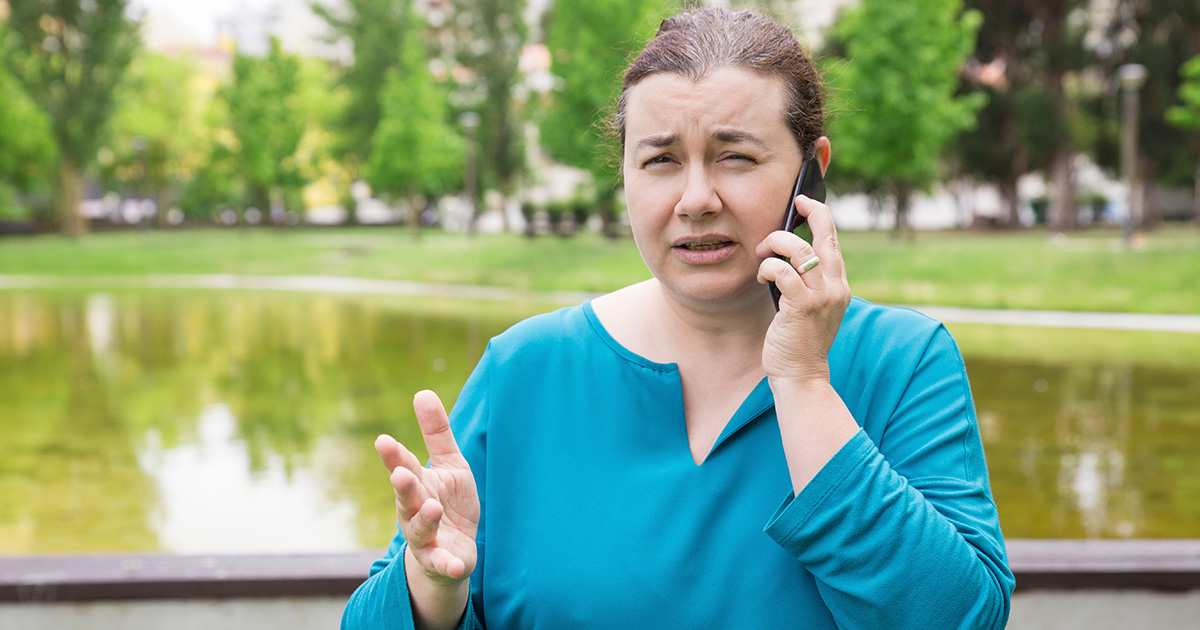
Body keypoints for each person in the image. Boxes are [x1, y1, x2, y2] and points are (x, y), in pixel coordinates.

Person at [342, 7, 1014, 629]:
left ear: (812, 171)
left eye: (736, 157)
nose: (695, 199)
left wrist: (805, 381)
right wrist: (432, 587)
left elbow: (960, 616)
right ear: (625, 175)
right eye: (661, 160)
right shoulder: (526, 368)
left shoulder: (902, 360)